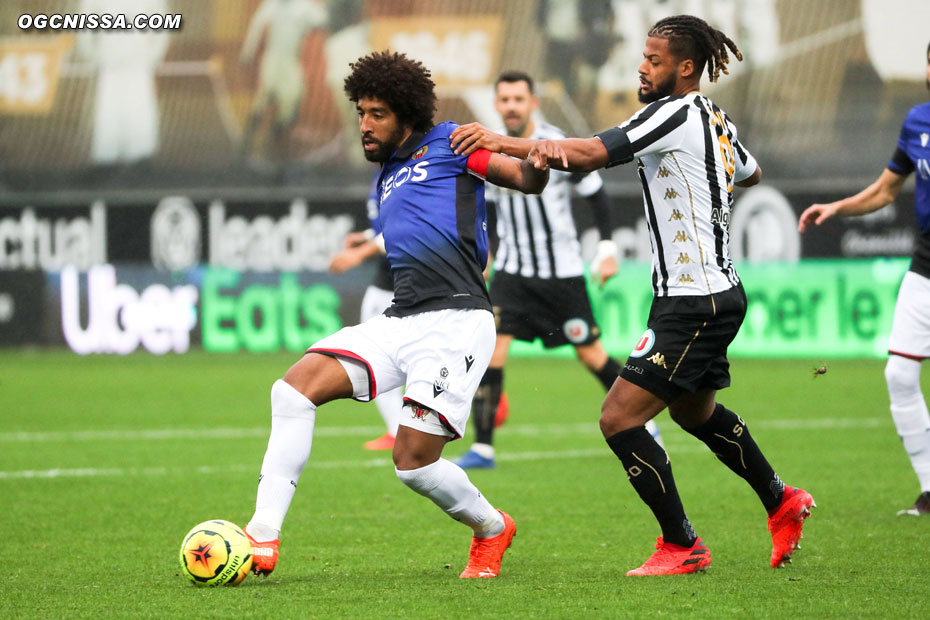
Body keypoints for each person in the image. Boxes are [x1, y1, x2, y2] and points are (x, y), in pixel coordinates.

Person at [451, 14, 814, 575]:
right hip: (713, 293)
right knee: (697, 414)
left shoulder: (671, 114)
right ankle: (781, 500)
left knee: (618, 418)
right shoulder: (713, 117)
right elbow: (752, 171)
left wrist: (502, 141)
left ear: (685, 68)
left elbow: (593, 153)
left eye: (654, 60)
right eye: (643, 58)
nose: (642, 68)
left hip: (693, 300)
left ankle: (682, 544)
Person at [243, 50, 552, 580]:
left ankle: (492, 527)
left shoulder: (453, 143)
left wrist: (538, 167)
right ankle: (261, 535)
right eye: (361, 112)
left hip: (457, 322)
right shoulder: (385, 174)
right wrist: (365, 242)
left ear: (408, 114)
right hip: (400, 317)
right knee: (292, 390)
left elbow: (523, 179)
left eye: (377, 114)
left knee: (412, 465)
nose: (364, 125)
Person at [454, 70, 662, 470]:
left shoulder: (556, 143)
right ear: (497, 104)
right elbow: (493, 211)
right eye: (504, 100)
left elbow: (596, 196)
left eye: (519, 99)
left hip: (561, 273)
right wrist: (489, 256)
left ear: (533, 102)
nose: (511, 106)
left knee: (590, 354)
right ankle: (483, 448)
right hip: (513, 272)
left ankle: (643, 419)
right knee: (492, 351)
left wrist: (605, 249)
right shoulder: (492, 148)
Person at [798, 42, 930, 517]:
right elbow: (885, 189)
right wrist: (838, 207)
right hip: (925, 266)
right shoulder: (918, 121)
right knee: (898, 374)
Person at [328, 177, 403, 450]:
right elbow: (393, 226)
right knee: (386, 358)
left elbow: (406, 226)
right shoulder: (384, 175)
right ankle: (398, 429)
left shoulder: (406, 171)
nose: (366, 131)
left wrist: (359, 254)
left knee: (376, 358)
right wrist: (367, 237)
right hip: (391, 280)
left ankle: (398, 431)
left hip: (394, 285)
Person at [239, 0, 328, 162]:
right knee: (264, 101)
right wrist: (248, 51)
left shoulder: (304, 7)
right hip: (273, 61)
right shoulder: (271, 5)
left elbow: (324, 20)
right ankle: (243, 148)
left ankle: (273, 144)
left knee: (293, 104)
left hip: (290, 62)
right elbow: (256, 26)